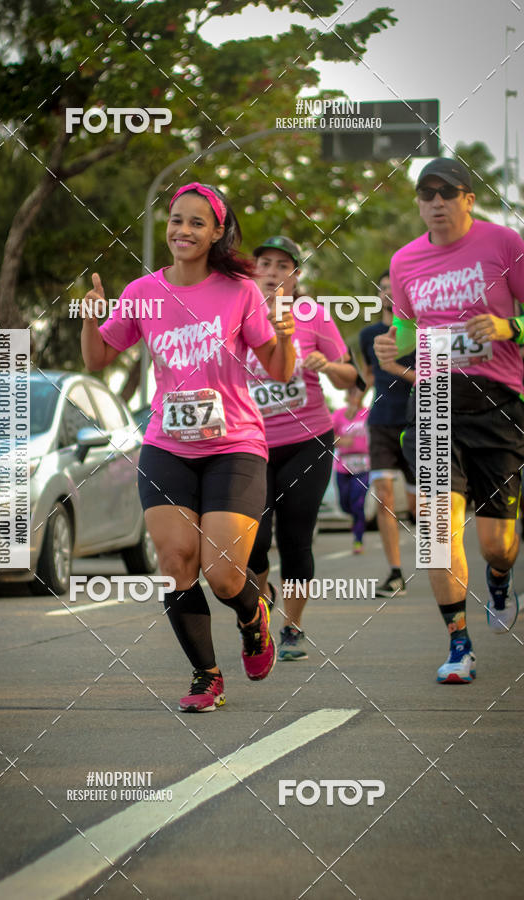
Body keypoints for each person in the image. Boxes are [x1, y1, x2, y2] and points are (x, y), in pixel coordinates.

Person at [81, 183, 296, 711]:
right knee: (177, 561)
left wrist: (286, 333)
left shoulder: (241, 291)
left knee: (223, 573)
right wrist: (91, 316)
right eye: (176, 220)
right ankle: (207, 675)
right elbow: (98, 359)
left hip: (235, 446)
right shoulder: (142, 292)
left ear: (217, 232)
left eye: (197, 222)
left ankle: (253, 618)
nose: (182, 230)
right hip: (167, 445)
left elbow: (279, 368)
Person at [374, 156, 524, 684]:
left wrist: (510, 327)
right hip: (435, 400)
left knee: (496, 544)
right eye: (426, 193)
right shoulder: (405, 261)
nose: (435, 202)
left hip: (499, 405)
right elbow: (407, 329)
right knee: (437, 530)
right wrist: (393, 346)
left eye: (447, 192)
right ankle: (459, 644)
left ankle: (501, 578)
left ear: (468, 198)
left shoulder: (505, 245)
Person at [246, 236, 357, 660]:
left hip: (308, 440)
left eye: (283, 266)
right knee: (253, 542)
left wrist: (328, 366)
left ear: (296, 276)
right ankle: (261, 607)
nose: (273, 272)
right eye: (265, 263)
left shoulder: (313, 316)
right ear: (252, 271)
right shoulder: (237, 316)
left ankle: (291, 628)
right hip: (251, 444)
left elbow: (351, 377)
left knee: (296, 536)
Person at [360, 271, 416, 595]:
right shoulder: (369, 334)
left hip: (416, 421)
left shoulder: (420, 332)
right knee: (384, 497)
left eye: (395, 289)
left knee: (418, 504)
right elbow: (369, 374)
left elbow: (430, 375)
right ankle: (395, 573)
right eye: (383, 289)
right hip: (380, 421)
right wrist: (356, 398)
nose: (389, 294)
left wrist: (397, 369)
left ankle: (439, 562)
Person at [331, 387, 370, 554]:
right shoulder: (339, 414)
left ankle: (358, 540)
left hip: (364, 464)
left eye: (357, 393)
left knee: (358, 502)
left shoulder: (369, 414)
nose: (353, 396)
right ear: (346, 396)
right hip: (343, 465)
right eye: (351, 392)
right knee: (345, 504)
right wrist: (339, 440)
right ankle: (354, 517)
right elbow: (327, 436)